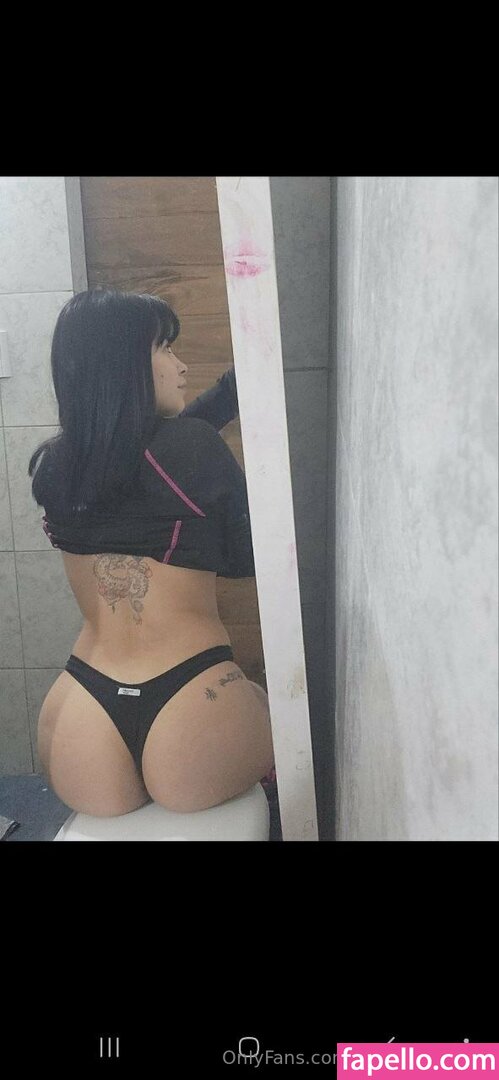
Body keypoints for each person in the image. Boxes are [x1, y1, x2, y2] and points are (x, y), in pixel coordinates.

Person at [29, 288, 275, 817]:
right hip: (193, 698)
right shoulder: (191, 451)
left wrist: (229, 392)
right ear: (125, 366)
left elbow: (147, 455)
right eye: (164, 347)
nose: (180, 365)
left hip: (79, 710)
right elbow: (247, 560)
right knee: (265, 705)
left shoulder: (56, 466)